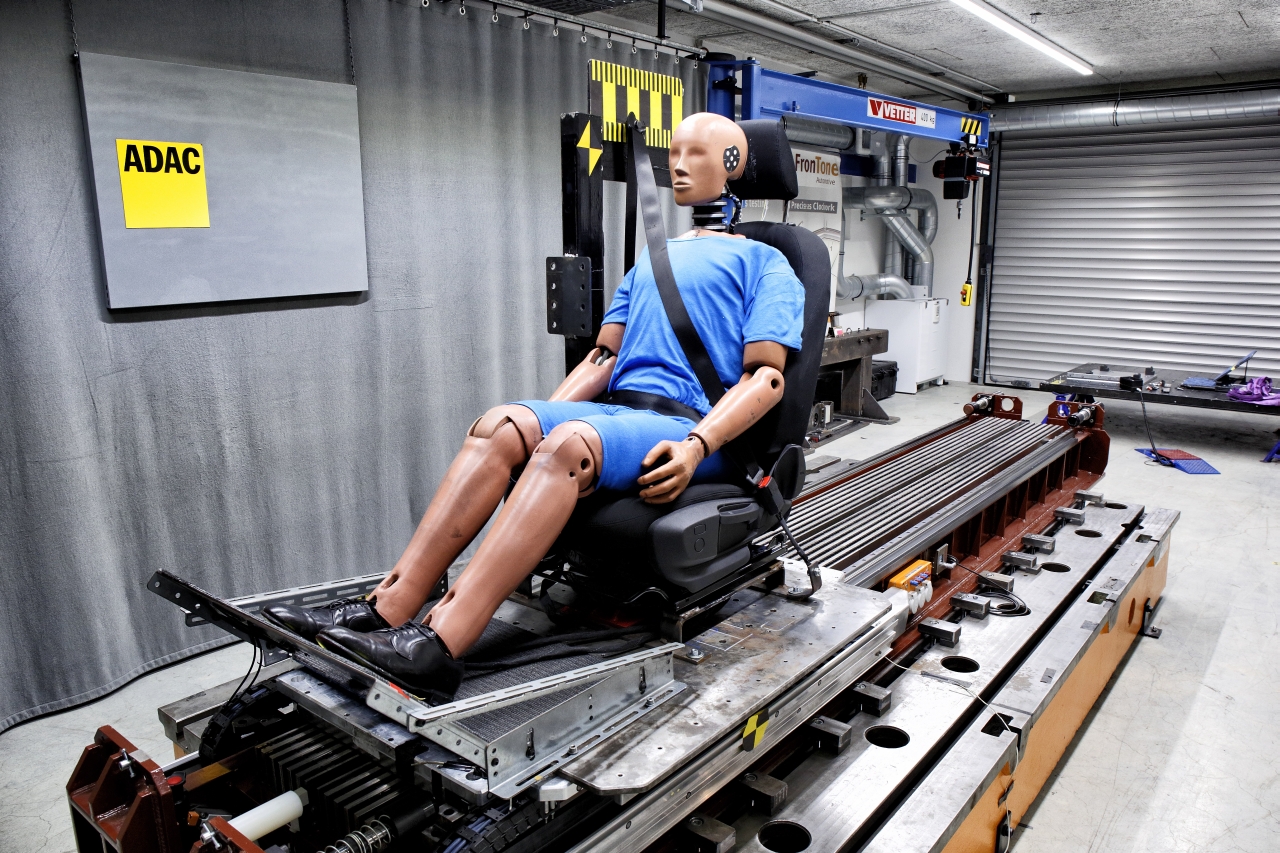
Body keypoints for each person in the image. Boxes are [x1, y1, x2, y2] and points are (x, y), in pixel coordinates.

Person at [264, 113, 805, 703]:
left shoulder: (768, 263)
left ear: (731, 164)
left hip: (688, 424)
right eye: (672, 153)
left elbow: (766, 376)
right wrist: (537, 426)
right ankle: (385, 608)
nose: (676, 166)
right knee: (500, 425)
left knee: (568, 445)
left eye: (695, 154)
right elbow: (603, 357)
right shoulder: (654, 258)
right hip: (621, 415)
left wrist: (697, 445)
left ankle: (438, 646)